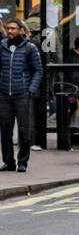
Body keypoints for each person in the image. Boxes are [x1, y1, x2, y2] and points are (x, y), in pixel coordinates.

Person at [0, 17, 42, 173]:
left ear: (21, 30)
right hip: (4, 94)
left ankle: (23, 162)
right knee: (5, 130)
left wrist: (30, 89)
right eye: (8, 28)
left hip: (22, 94)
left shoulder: (29, 48)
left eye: (13, 28)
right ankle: (8, 162)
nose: (10, 31)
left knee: (24, 130)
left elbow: (38, 70)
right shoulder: (2, 46)